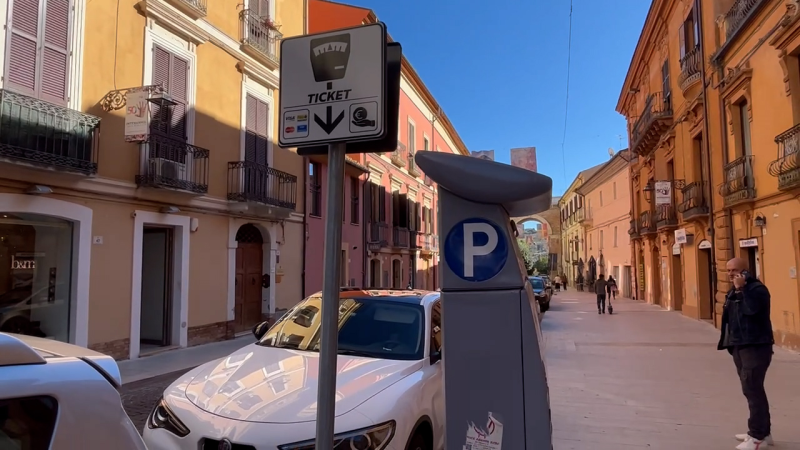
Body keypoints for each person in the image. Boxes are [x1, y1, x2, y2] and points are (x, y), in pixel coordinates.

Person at [718, 258, 774, 449]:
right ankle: (762, 432)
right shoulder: (733, 291)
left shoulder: (757, 290)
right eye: (728, 270)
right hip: (740, 345)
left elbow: (751, 310)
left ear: (745, 271)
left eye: (735, 270)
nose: (731, 274)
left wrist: (742, 290)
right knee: (751, 389)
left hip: (756, 346)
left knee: (752, 388)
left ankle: (757, 438)